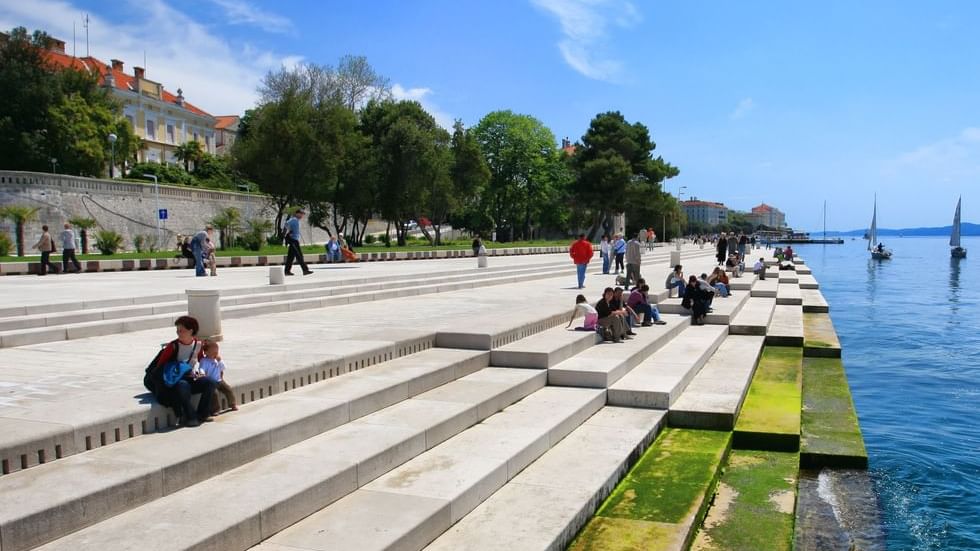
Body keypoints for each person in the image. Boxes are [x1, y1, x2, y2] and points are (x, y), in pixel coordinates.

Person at [145, 316, 217, 427]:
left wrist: (200, 372)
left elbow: (200, 360)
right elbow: (160, 367)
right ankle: (191, 417)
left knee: (210, 382)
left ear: (191, 331)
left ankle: (203, 414)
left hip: (192, 377)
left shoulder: (198, 344)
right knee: (183, 386)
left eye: (181, 330)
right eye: (177, 330)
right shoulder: (172, 346)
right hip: (176, 380)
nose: (178, 333)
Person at [199, 339, 238, 415]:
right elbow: (202, 368)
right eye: (213, 352)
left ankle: (232, 404)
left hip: (219, 380)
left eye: (216, 352)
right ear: (206, 352)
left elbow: (223, 368)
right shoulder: (204, 361)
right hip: (211, 382)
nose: (215, 354)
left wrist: (220, 361)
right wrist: (202, 373)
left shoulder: (217, 360)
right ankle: (215, 409)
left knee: (228, 389)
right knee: (214, 394)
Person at [283, 209, 312, 276]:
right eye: (301, 214)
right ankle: (305, 270)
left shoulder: (298, 221)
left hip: (295, 240)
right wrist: (287, 233)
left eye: (303, 214)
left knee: (291, 256)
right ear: (297, 214)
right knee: (299, 255)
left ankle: (287, 271)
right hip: (292, 240)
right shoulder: (293, 220)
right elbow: (286, 224)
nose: (302, 215)